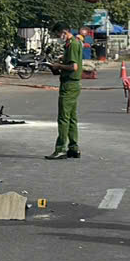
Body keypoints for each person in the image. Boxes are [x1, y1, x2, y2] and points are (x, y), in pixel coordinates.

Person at [46, 23, 84, 160]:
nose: (58, 37)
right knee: (72, 118)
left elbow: (74, 66)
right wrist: (63, 59)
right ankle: (73, 148)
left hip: (69, 85)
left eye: (57, 34)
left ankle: (60, 148)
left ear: (63, 32)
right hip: (73, 85)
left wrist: (58, 66)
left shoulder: (72, 44)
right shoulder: (74, 43)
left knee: (63, 118)